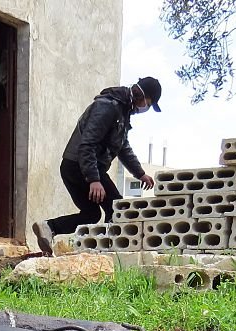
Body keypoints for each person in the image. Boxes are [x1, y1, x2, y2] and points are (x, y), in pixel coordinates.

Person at [33, 77, 162, 256]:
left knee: (91, 214)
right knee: (117, 208)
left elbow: (123, 148)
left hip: (75, 166)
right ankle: (109, 253)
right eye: (147, 104)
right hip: (81, 167)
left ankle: (49, 227)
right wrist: (93, 179)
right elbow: (87, 144)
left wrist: (140, 173)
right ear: (140, 94)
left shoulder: (121, 113)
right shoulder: (108, 107)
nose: (144, 109)